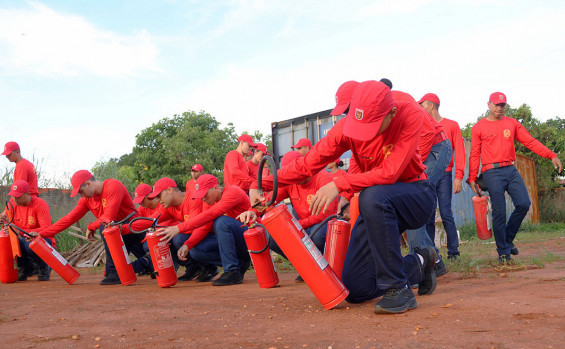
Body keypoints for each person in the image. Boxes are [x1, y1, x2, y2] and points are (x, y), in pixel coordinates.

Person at [250, 80, 438, 314]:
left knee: (372, 195)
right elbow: (305, 166)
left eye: (371, 125)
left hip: (416, 195)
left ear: (391, 113)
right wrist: (258, 184)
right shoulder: (346, 129)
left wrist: (340, 184)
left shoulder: (410, 113)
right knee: (356, 289)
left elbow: (390, 173)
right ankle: (421, 263)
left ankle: (398, 289)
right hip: (377, 206)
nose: (363, 134)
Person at [468, 92, 562, 263]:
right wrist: (472, 178)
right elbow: (474, 154)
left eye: (502, 105)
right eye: (496, 104)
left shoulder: (511, 124)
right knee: (500, 212)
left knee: (524, 203)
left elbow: (530, 142)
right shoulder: (479, 127)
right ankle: (503, 253)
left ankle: (507, 240)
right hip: (492, 171)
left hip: (510, 169)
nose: (499, 108)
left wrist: (551, 155)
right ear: (488, 104)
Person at [31, 170, 152, 285]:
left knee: (106, 227)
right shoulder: (87, 200)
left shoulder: (113, 185)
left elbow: (108, 217)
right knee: (148, 263)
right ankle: (146, 263)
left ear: (88, 183)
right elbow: (68, 219)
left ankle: (114, 271)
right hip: (120, 235)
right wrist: (42, 234)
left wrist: (91, 226)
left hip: (135, 231)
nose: (81, 195)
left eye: (81, 191)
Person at [241, 151, 338, 281]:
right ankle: (307, 269)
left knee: (320, 236)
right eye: (289, 174)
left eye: (295, 173)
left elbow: (325, 215)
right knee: (272, 238)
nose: (292, 177)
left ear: (304, 168)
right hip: (303, 225)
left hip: (322, 224)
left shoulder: (323, 178)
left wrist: (296, 226)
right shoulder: (290, 182)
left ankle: (327, 271)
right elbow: (269, 200)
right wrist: (253, 211)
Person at [158, 174, 252, 286]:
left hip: (250, 238)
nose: (203, 198)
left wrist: (179, 227)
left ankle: (232, 271)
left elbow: (210, 214)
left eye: (205, 194)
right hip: (234, 240)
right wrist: (187, 245)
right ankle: (240, 264)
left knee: (221, 221)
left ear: (216, 188)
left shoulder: (232, 192)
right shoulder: (208, 202)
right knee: (196, 251)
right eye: (200, 196)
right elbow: (204, 226)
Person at [398, 91, 452, 277]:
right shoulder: (370, 114)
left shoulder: (398, 101)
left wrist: (414, 162)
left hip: (435, 147)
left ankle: (420, 264)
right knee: (409, 204)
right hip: (427, 150)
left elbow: (428, 132)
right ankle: (433, 261)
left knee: (412, 201)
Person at [126, 177, 218, 282]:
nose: (158, 200)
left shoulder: (193, 198)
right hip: (197, 237)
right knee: (166, 238)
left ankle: (210, 267)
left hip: (212, 236)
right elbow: (150, 221)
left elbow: (198, 226)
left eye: (159, 196)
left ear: (169, 190)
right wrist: (122, 228)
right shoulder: (168, 207)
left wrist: (177, 230)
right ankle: (194, 268)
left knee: (179, 238)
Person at [418, 93, 465, 261]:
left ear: (431, 106)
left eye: (422, 104)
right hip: (426, 175)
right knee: (428, 214)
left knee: (446, 213)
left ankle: (454, 252)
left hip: (445, 174)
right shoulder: (420, 125)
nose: (419, 108)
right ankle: (431, 254)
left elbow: (459, 150)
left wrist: (459, 176)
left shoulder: (451, 125)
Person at [0, 180, 52, 281]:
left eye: (18, 196)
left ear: (28, 194)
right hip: (20, 239)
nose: (15, 199)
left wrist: (20, 231)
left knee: (29, 244)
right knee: (6, 241)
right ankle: (23, 267)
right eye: (13, 196)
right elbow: (7, 224)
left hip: (41, 240)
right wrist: (3, 222)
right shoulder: (12, 205)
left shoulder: (40, 204)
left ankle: (43, 266)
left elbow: (47, 228)